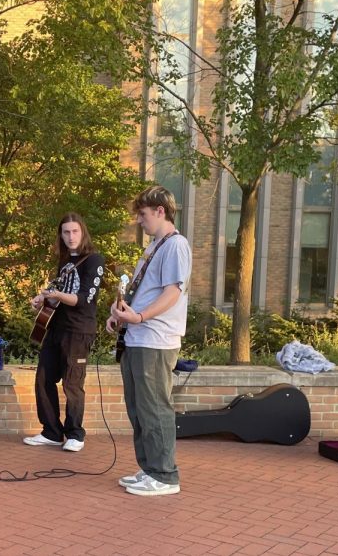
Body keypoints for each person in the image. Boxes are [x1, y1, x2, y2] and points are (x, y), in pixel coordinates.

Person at [106, 185, 191, 496]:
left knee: (154, 407)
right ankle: (149, 468)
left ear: (160, 211)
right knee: (138, 408)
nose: (138, 220)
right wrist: (120, 314)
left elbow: (172, 293)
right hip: (138, 338)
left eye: (142, 214)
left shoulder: (175, 246)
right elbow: (144, 293)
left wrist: (139, 318)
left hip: (155, 340)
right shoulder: (154, 247)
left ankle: (166, 475)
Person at [23, 213, 105, 452]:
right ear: (61, 234)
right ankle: (51, 431)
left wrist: (57, 296)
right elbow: (57, 287)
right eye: (66, 232)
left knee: (72, 384)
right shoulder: (65, 260)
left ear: (83, 232)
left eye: (75, 231)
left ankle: (75, 434)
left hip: (78, 331)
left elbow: (84, 298)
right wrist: (43, 297)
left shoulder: (94, 260)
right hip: (55, 328)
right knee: (43, 379)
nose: (70, 237)